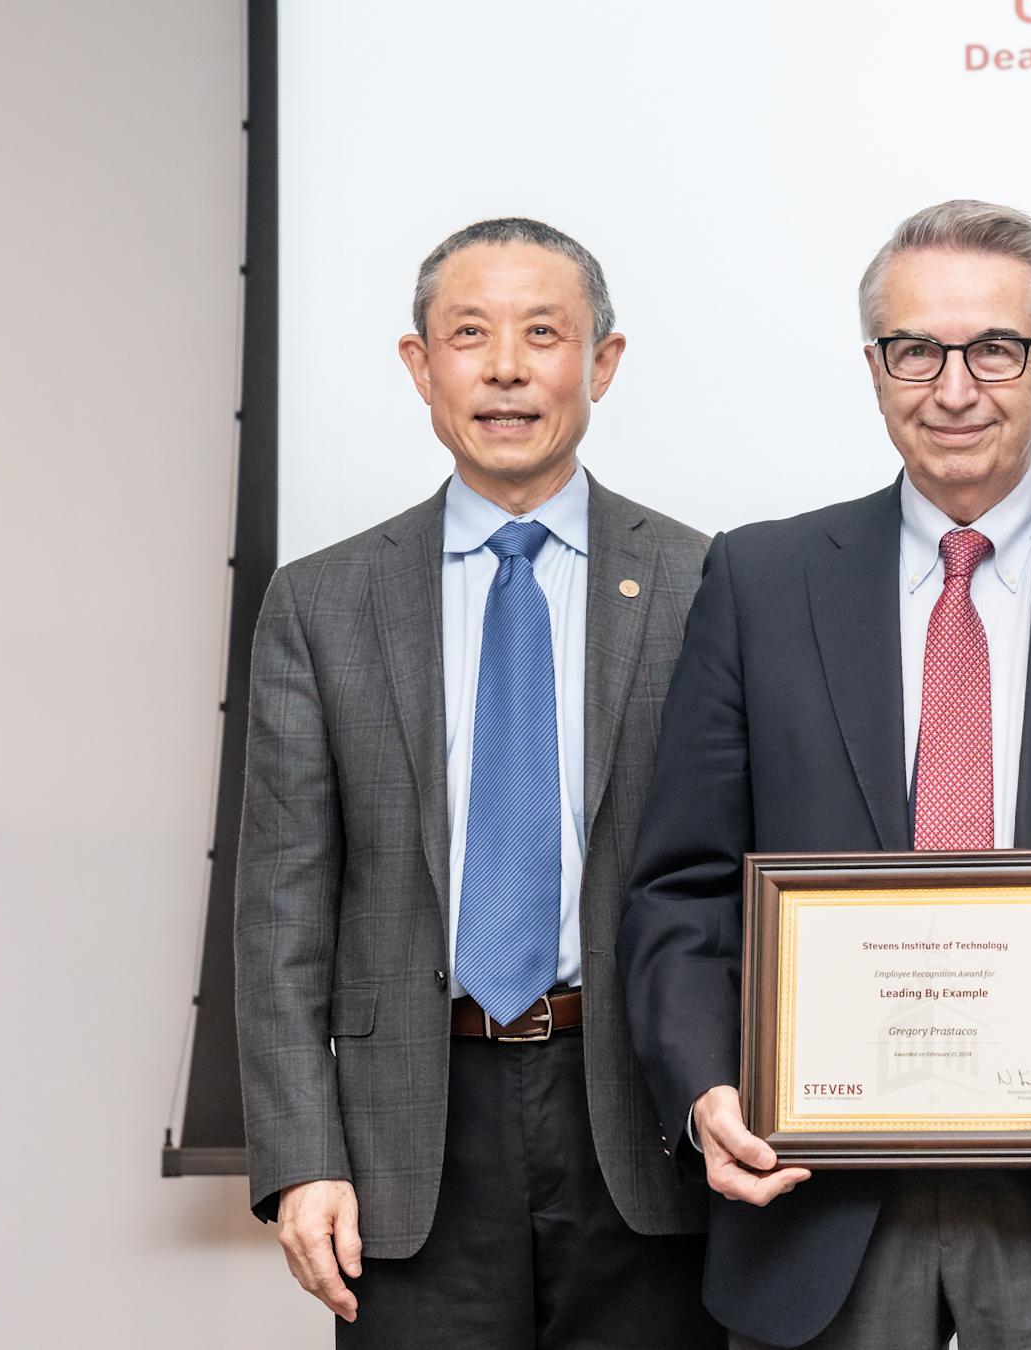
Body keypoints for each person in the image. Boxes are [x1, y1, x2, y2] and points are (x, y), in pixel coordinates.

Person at [620, 200, 1031, 1350]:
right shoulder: (760, 581)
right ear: (874, 368)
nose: (954, 386)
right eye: (914, 349)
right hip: (819, 1189)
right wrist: (701, 1087)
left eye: (995, 348)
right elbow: (682, 885)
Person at [234, 217, 720, 1347]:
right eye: (469, 334)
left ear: (601, 362)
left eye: (543, 333)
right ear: (422, 366)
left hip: (644, 1127)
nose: (506, 368)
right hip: (408, 1137)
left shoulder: (706, 583)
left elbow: (740, 876)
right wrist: (303, 1158)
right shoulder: (322, 604)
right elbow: (283, 912)